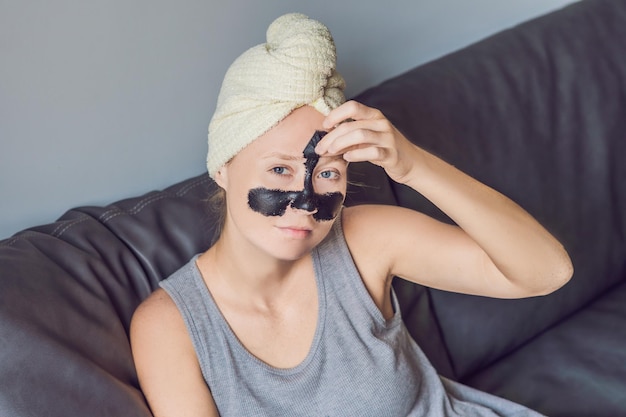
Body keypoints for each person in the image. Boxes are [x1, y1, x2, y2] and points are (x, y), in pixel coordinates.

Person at [130, 13, 573, 417]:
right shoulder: (170, 327)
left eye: (327, 173)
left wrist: (413, 165)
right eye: (279, 169)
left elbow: (546, 272)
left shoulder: (364, 240)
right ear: (223, 168)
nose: (306, 202)